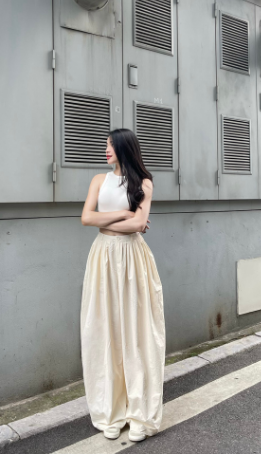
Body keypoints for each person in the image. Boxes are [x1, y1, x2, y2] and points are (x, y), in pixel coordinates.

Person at [80, 128, 166, 443]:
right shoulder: (98, 180)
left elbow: (139, 224)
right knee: (106, 331)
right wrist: (123, 214)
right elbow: (86, 218)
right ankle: (111, 412)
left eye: (111, 144)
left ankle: (139, 413)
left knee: (137, 331)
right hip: (103, 257)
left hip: (132, 258)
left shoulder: (144, 183)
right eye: (106, 144)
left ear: (125, 147)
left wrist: (115, 219)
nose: (106, 149)